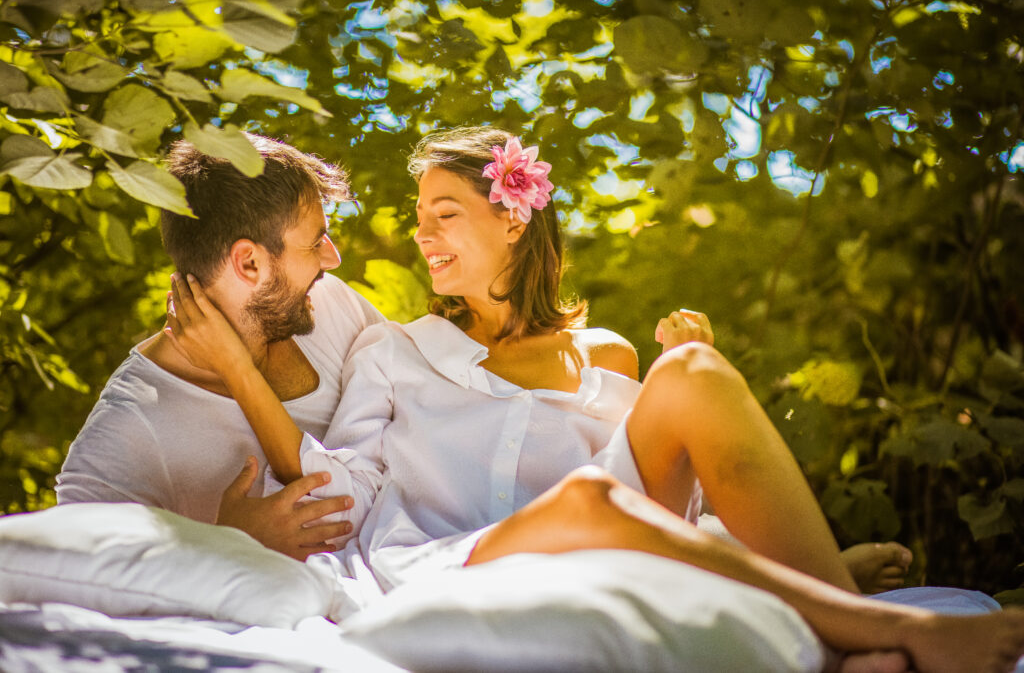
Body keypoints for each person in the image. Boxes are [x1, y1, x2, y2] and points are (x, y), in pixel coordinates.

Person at [168, 127, 1024, 671]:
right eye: (418, 215)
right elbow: (343, 492)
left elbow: (674, 509)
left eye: (443, 213)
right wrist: (237, 371)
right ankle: (870, 631)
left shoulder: (604, 352)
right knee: (587, 499)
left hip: (612, 525)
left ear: (513, 219)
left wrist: (698, 382)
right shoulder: (396, 350)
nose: (422, 232)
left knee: (689, 374)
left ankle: (832, 602)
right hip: (468, 552)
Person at [55, 135, 384, 560]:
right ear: (249, 263)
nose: (332, 258)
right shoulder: (132, 426)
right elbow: (77, 579)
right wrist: (223, 546)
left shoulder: (335, 305)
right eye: (316, 241)